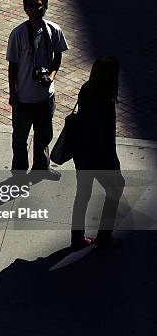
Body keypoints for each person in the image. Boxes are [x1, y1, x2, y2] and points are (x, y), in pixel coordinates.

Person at [7, 0, 69, 180]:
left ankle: (41, 168)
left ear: (45, 7)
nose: (35, 9)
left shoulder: (54, 30)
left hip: (45, 97)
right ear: (25, 8)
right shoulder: (17, 34)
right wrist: (13, 93)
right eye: (31, 6)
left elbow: (58, 56)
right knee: (19, 139)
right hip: (23, 98)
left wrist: (51, 76)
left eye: (39, 5)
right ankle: (18, 173)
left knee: (44, 136)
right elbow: (13, 67)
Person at [71, 56, 125, 249]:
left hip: (82, 154)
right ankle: (104, 235)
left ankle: (77, 238)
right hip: (99, 157)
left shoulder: (86, 89)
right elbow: (106, 138)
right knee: (116, 188)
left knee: (82, 195)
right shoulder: (106, 99)